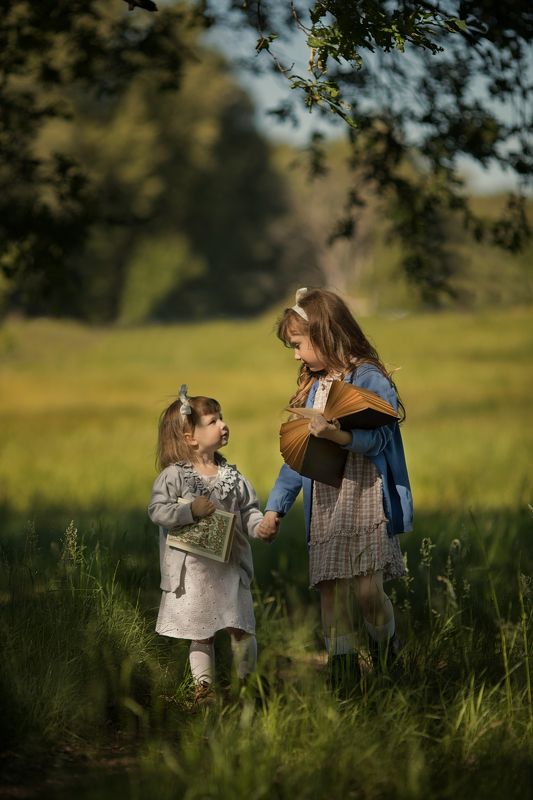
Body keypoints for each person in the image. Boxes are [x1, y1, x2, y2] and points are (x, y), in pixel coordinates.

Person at [256, 288, 413, 686]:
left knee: (367, 591)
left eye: (298, 344)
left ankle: (388, 663)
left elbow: (380, 438)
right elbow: (300, 456)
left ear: (325, 334)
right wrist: (275, 508)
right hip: (325, 503)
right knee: (330, 592)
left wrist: (337, 436)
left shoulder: (368, 377)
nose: (296, 355)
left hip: (363, 498)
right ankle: (343, 680)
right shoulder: (316, 386)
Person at [148, 385, 267, 703]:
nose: (223, 425)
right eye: (213, 421)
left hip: (230, 569)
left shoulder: (233, 477)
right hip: (194, 573)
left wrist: (261, 526)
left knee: (241, 627)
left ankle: (247, 685)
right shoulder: (174, 476)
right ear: (190, 437)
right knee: (201, 633)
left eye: (222, 418)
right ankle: (205, 689)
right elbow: (158, 511)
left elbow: (249, 511)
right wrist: (189, 510)